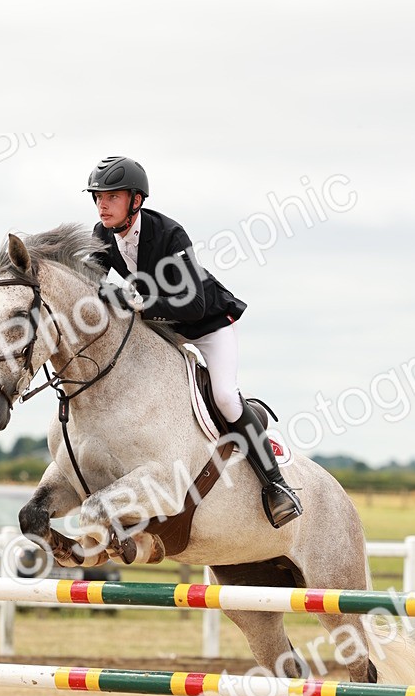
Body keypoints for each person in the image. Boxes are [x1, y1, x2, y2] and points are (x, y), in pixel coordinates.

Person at [83, 155, 302, 529]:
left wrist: (136, 301)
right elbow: (92, 280)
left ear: (136, 200)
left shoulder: (169, 235)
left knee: (225, 398)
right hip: (164, 328)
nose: (102, 204)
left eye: (112, 196)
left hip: (208, 324)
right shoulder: (103, 234)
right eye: (98, 197)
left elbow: (194, 303)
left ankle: (276, 486)